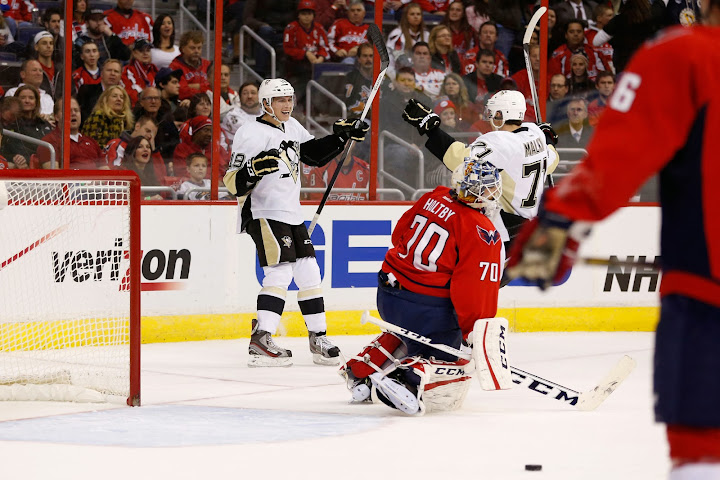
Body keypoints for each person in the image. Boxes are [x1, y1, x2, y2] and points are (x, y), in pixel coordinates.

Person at [505, 3, 720, 477]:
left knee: (703, 457)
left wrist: (558, 225)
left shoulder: (683, 55)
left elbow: (616, 161)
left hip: (707, 300)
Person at [222, 78, 369, 367]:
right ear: (266, 103)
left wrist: (341, 137)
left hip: (291, 213)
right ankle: (261, 339)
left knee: (309, 271)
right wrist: (252, 170)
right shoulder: (250, 133)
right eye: (280, 100)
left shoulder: (292, 126)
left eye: (290, 99)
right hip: (262, 211)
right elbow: (232, 182)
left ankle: (318, 337)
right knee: (279, 272)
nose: (287, 104)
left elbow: (312, 155)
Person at [339, 157, 504, 415]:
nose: (492, 193)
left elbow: (399, 235)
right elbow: (473, 289)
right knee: (450, 356)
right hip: (426, 311)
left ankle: (363, 370)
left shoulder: (434, 196)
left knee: (409, 334)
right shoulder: (483, 231)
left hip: (388, 294)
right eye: (488, 188)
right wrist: (474, 331)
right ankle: (408, 379)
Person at [402, 90, 559, 252]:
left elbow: (461, 161)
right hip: (531, 227)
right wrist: (548, 140)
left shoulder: (502, 141)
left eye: (492, 113)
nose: (489, 118)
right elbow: (552, 161)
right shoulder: (535, 134)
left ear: (500, 114)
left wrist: (431, 130)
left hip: (506, 229)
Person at [37, 97, 107, 170]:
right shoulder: (49, 141)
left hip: (94, 177)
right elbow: (53, 174)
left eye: (76, 110)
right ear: (56, 117)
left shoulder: (92, 142)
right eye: (68, 110)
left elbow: (105, 171)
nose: (73, 113)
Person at [0, 85, 53, 169]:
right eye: (23, 98)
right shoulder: (10, 124)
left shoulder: (44, 123)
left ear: (36, 102)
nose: (27, 101)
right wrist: (15, 159)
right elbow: (5, 150)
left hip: (43, 166)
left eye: (31, 98)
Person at [76, 59, 124, 125]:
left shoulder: (124, 97)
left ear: (120, 76)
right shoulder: (87, 91)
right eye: (109, 70)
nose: (112, 74)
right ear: (101, 74)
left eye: (116, 71)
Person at [169, 30, 211, 101]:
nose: (196, 51)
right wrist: (206, 88)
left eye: (199, 48)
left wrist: (195, 86)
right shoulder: (174, 67)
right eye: (192, 48)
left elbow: (219, 87)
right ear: (182, 49)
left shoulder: (207, 64)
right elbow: (182, 91)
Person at [122, 38, 158, 104]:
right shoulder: (127, 71)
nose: (145, 53)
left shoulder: (153, 70)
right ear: (134, 53)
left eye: (148, 50)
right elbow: (130, 95)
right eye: (141, 51)